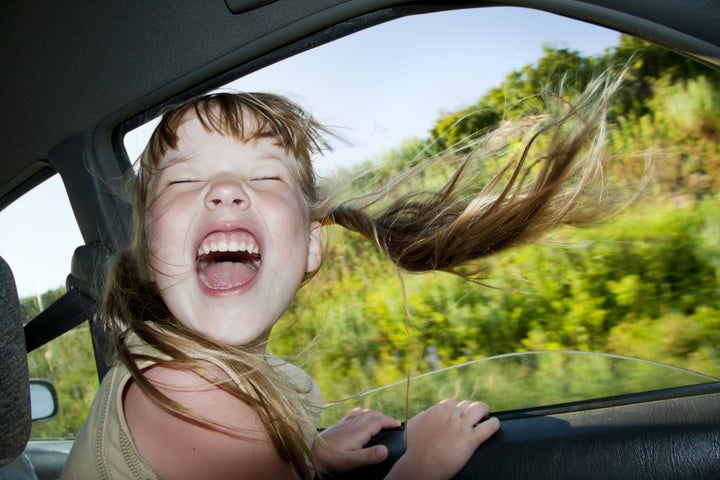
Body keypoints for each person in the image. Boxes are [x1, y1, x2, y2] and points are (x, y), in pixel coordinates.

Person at [62, 76, 617, 479]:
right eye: (184, 181)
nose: (226, 189)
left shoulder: (194, 371)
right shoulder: (190, 398)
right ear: (150, 250)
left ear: (309, 243)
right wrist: (420, 467)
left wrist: (305, 452)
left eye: (263, 174)